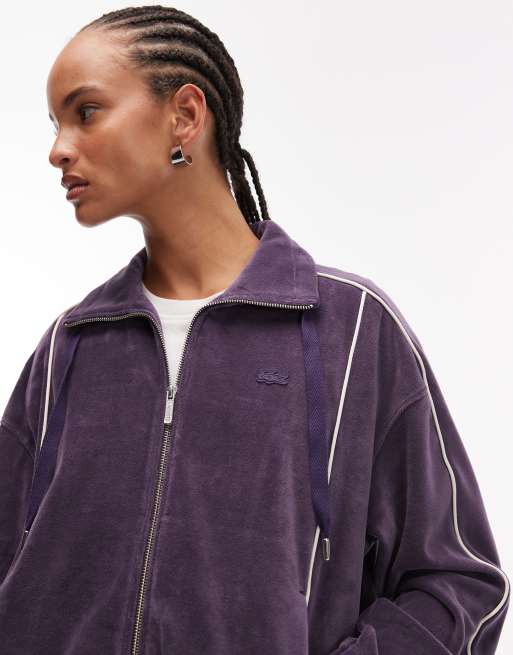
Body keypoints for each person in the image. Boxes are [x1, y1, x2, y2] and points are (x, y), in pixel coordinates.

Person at [0, 5, 509, 655]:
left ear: (185, 116)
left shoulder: (351, 331)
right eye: (56, 124)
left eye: (87, 111)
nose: (58, 149)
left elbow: (456, 584)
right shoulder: (70, 347)